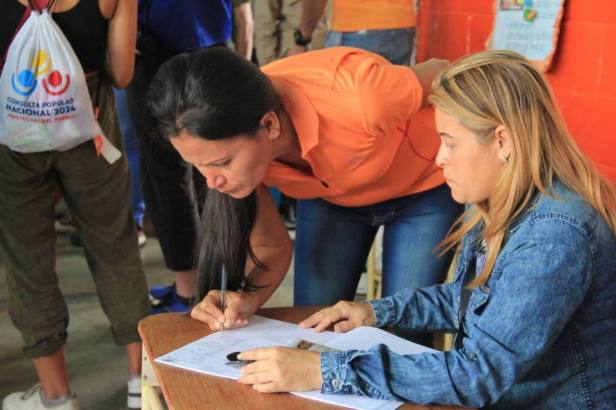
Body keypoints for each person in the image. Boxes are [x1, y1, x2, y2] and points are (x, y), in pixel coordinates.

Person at [230, 50, 616, 408]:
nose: (439, 158)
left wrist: (322, 370)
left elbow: (479, 374)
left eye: (450, 143)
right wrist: (373, 312)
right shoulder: (500, 201)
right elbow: (467, 300)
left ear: (502, 141)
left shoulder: (554, 236)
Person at [148, 46, 463, 338]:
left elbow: (446, 73)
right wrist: (247, 297)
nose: (211, 182)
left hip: (422, 191)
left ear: (269, 125)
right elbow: (270, 245)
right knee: (313, 328)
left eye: (222, 162)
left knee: (405, 330)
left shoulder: (362, 97)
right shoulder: (233, 138)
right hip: (332, 198)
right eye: (198, 166)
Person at [0, 0, 149, 409]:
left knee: (27, 260)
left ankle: (57, 395)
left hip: (14, 132)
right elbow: (122, 74)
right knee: (116, 246)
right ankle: (141, 381)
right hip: (89, 125)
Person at [127, 0, 255, 314]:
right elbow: (244, 12)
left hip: (158, 52)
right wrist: (241, 69)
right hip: (214, 49)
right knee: (218, 167)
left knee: (169, 175)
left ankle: (189, 291)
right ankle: (221, 284)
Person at [289, 0, 415, 65]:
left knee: (344, 102)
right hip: (402, 26)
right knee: (394, 101)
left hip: (355, 28)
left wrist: (302, 38)